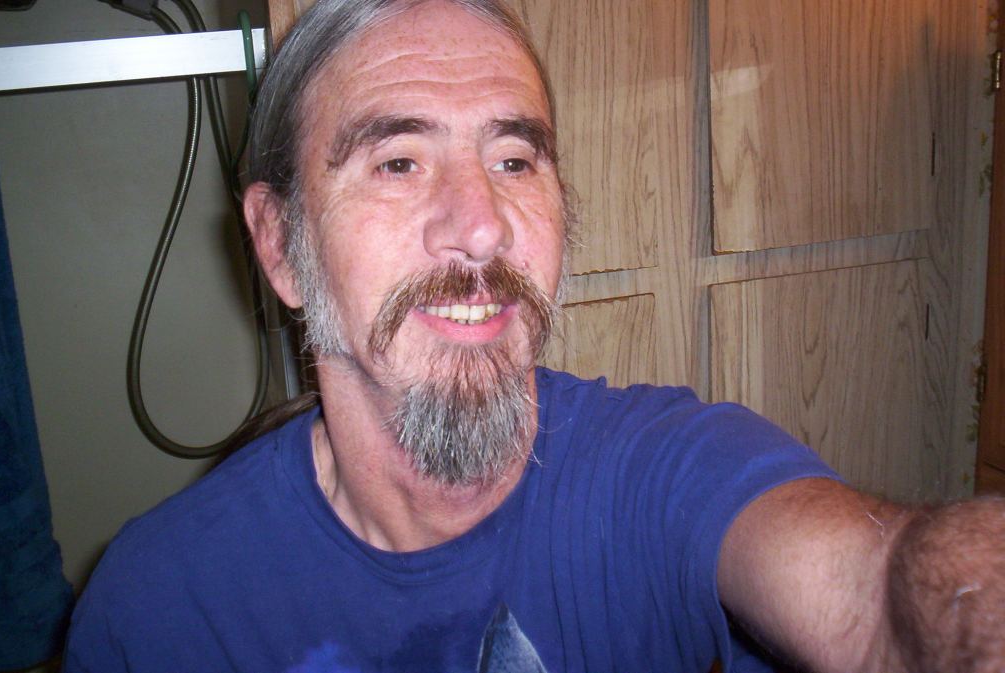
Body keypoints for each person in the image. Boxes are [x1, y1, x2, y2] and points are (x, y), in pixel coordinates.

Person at [63, 1, 1005, 671]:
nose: (482, 226)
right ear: (279, 245)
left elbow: (882, 601)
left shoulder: (663, 475)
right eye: (399, 162)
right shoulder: (161, 610)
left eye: (514, 159)